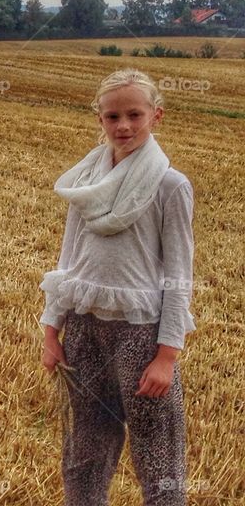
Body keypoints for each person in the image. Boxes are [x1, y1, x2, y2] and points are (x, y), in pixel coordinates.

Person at [39, 68, 196, 505]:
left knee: (157, 450)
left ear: (156, 116)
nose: (123, 126)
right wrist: (52, 331)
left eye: (134, 114)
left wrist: (166, 355)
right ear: (99, 120)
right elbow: (68, 259)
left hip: (140, 334)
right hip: (84, 329)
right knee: (84, 448)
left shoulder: (170, 186)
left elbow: (180, 275)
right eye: (112, 117)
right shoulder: (84, 184)